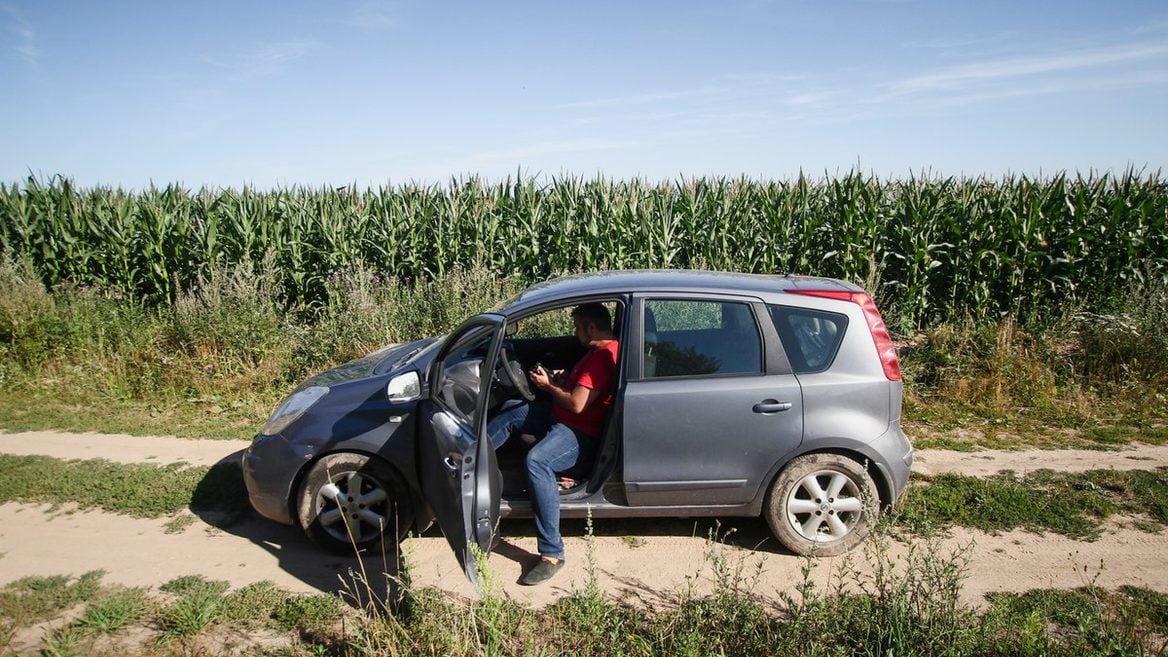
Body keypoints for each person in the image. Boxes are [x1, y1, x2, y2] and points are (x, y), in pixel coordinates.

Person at [486, 302, 619, 585]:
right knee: (513, 409)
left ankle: (552, 553)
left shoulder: (602, 358)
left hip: (579, 430)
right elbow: (580, 391)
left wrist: (548, 386)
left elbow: (578, 405)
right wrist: (565, 378)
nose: (575, 333)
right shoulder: (598, 350)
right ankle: (466, 460)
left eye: (577, 327)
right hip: (562, 417)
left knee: (537, 461)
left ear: (591, 328)